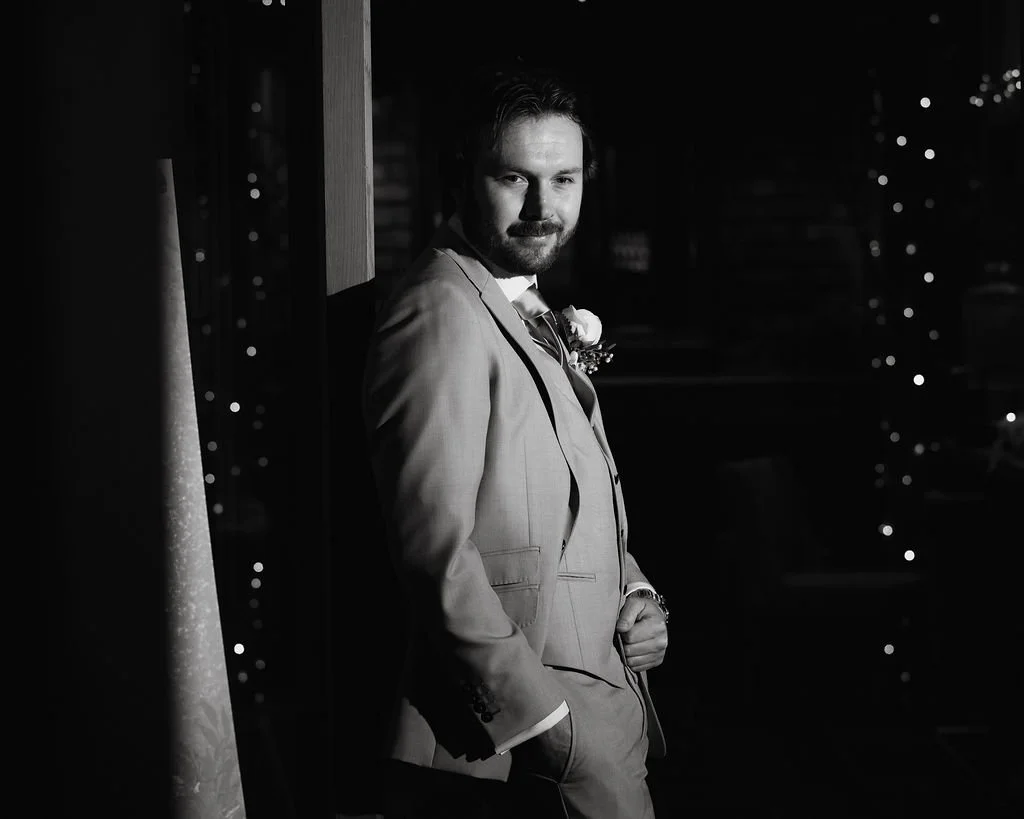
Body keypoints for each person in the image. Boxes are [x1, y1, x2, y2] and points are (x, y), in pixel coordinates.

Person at [361, 63, 669, 818]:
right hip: (536, 732)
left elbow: (567, 505)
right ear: (462, 178)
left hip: (612, 694)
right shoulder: (438, 312)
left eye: (564, 179)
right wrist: (547, 722)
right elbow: (436, 553)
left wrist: (631, 591)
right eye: (514, 178)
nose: (544, 206)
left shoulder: (519, 302)